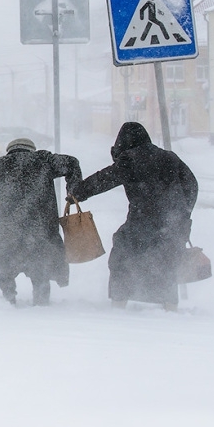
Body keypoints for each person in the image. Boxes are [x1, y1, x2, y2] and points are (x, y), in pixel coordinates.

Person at [70, 122, 198, 311]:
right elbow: (192, 184)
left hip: (144, 221)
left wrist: (78, 192)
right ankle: (170, 308)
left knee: (122, 255)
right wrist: (182, 212)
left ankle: (119, 303)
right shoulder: (169, 157)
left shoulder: (131, 159)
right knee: (167, 262)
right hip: (173, 223)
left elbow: (105, 179)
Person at [0, 137, 82, 306]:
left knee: (3, 267)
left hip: (8, 230)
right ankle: (41, 306)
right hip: (40, 230)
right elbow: (72, 162)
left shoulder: (0, 165)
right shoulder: (45, 160)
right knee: (40, 272)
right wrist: (73, 191)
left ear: (9, 150)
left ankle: (9, 302)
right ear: (31, 150)